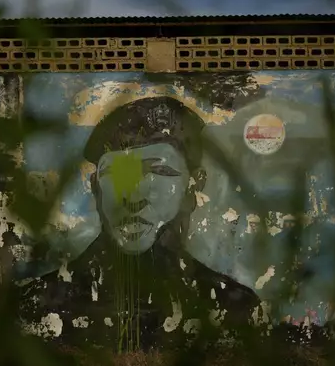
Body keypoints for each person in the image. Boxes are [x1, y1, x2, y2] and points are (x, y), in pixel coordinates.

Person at [14, 96, 261, 351]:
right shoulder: (41, 305)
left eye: (159, 172)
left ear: (193, 187)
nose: (133, 197)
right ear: (96, 187)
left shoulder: (231, 309)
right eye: (119, 174)